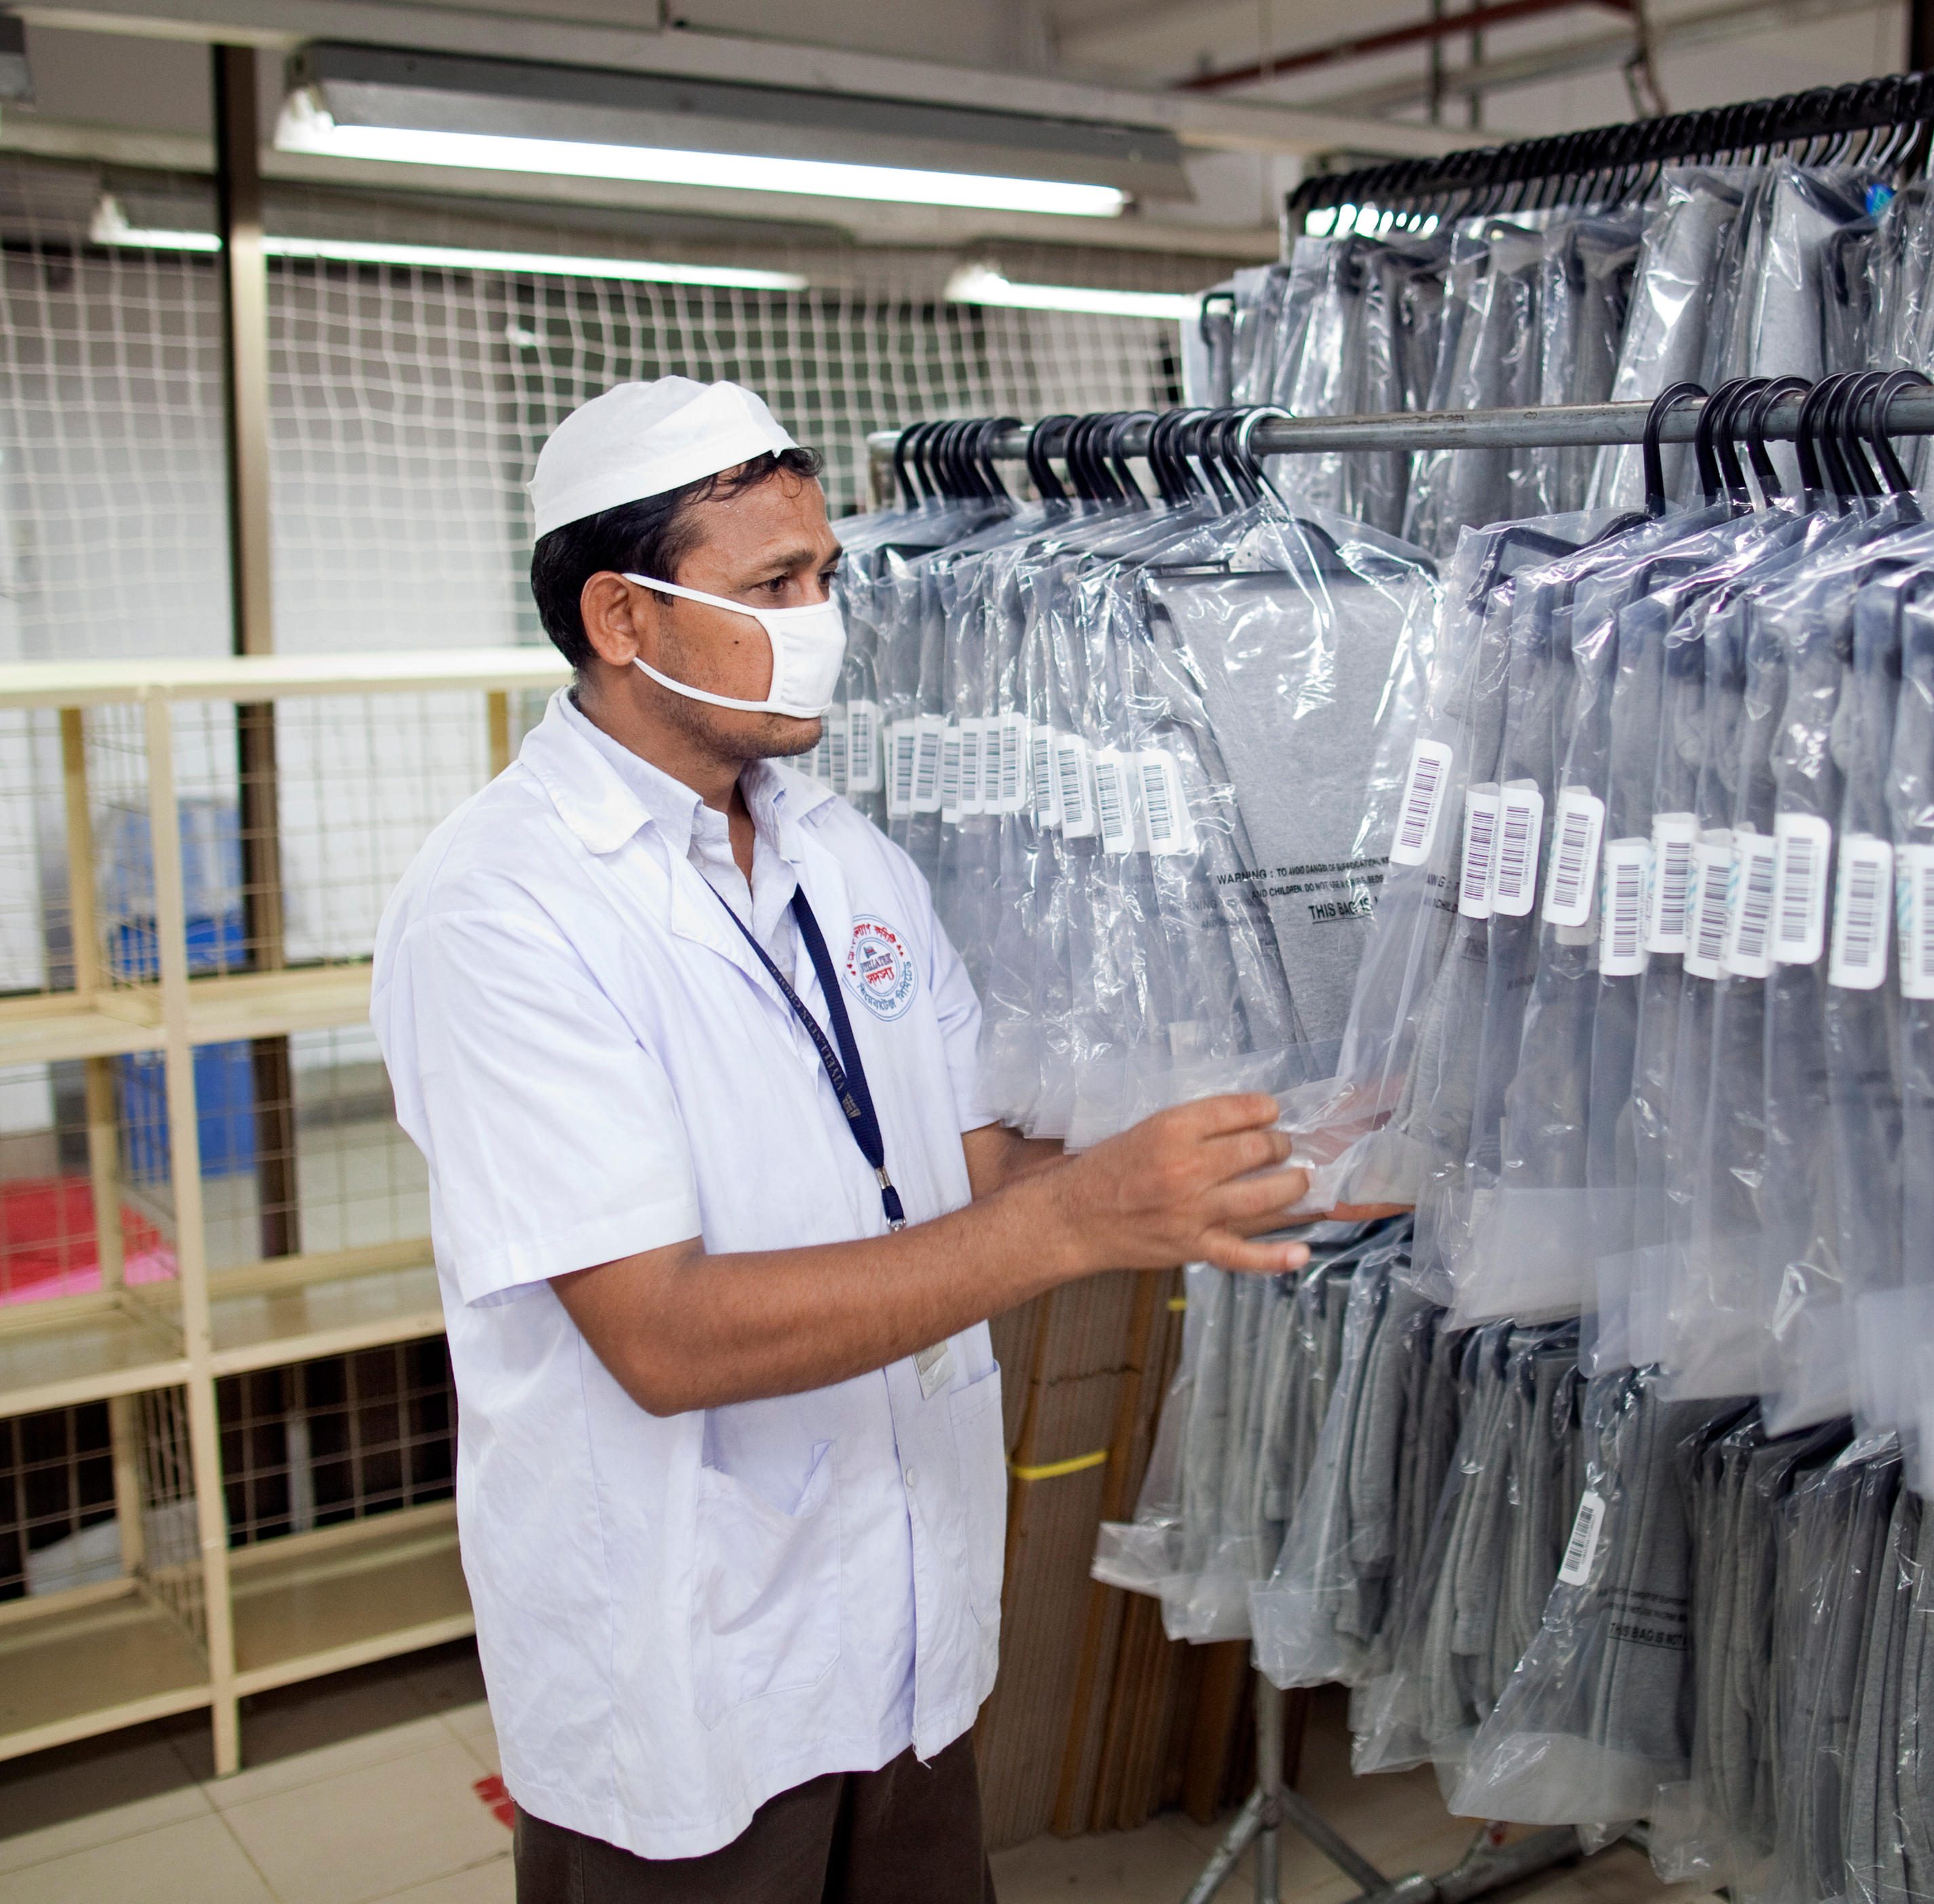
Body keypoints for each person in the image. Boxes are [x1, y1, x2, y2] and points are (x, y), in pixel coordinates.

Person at [370, 378, 1314, 1903]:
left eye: (828, 578)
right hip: (690, 1675)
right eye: (772, 588)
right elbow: (662, 1337)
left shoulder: (842, 853)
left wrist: (1246, 1164)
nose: (826, 621)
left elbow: (972, 1173)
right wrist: (1077, 1226)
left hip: (908, 1643)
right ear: (622, 617)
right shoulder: (505, 910)